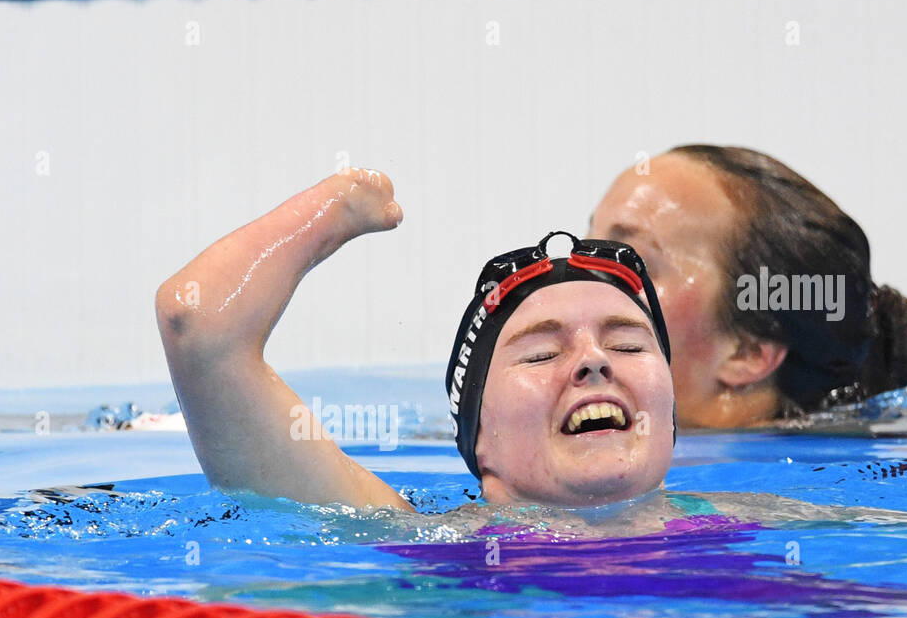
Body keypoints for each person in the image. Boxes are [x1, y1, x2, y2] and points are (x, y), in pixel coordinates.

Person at [155, 169, 675, 512]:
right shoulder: (413, 541)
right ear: (479, 436)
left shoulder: (751, 524)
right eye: (541, 353)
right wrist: (330, 212)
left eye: (628, 345)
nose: (593, 361)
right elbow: (198, 326)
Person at [587, 145, 907, 427]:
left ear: (747, 350)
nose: (575, 279)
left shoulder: (773, 503)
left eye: (630, 261)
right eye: (585, 252)